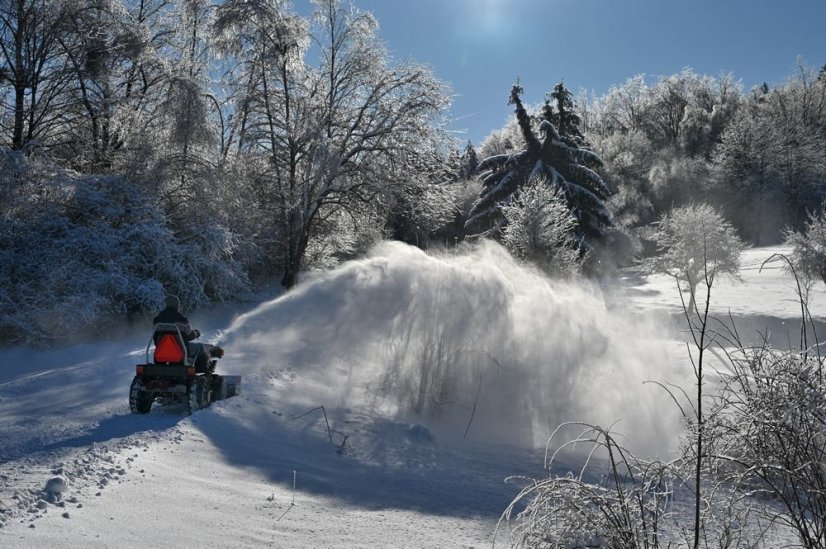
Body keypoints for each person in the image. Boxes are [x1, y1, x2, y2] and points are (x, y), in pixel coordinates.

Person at [153, 295, 223, 372]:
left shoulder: (157, 320)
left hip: (160, 354)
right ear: (177, 306)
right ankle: (205, 368)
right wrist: (196, 333)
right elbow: (189, 335)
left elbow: (155, 338)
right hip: (181, 353)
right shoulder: (182, 320)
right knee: (201, 347)